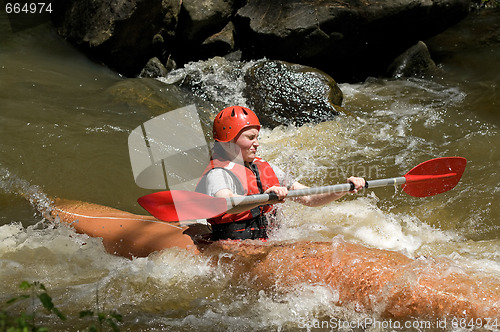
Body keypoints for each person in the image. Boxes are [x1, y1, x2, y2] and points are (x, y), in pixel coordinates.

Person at [195, 106, 365, 241]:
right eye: (250, 137)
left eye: (257, 137)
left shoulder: (265, 167)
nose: (257, 143)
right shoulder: (218, 173)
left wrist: (343, 189)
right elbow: (228, 203)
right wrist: (266, 197)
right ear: (228, 141)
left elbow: (309, 199)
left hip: (267, 241)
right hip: (233, 247)